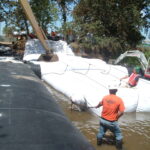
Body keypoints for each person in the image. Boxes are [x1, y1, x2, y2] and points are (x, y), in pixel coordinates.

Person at [93, 82, 125, 150]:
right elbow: (122, 112)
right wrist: (116, 118)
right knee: (118, 135)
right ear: (116, 90)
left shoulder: (105, 97)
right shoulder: (119, 99)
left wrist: (97, 106)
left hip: (102, 120)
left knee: (101, 132)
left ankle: (98, 145)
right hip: (112, 122)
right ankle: (119, 148)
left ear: (109, 90)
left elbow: (100, 103)